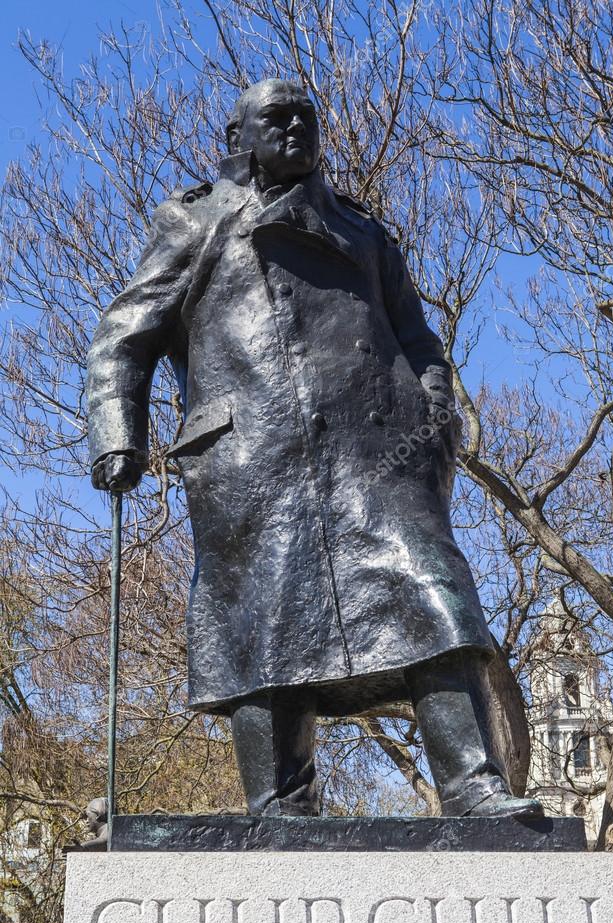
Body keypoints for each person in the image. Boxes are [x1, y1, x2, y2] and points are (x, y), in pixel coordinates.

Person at [87, 78, 542, 820]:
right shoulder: (194, 222)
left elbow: (418, 337)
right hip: (252, 463)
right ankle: (281, 803)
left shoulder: (363, 232)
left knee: (436, 596)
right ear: (240, 139)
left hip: (378, 459)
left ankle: (472, 786)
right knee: (264, 629)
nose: (296, 127)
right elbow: (122, 336)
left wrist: (435, 420)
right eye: (277, 117)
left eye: (307, 117)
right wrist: (118, 435)